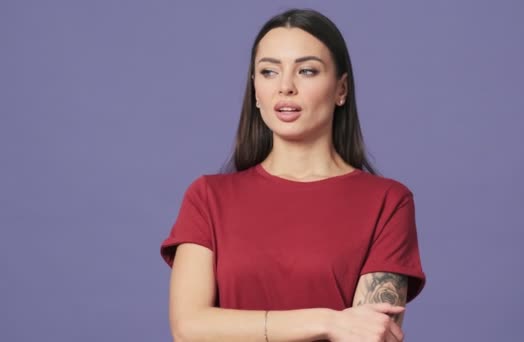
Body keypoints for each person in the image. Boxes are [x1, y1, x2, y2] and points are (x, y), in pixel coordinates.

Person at [160, 8, 426, 342]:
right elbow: (188, 328)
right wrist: (327, 321)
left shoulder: (388, 202)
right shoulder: (207, 198)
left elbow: (369, 335)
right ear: (255, 91)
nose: (286, 87)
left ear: (340, 89)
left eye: (307, 71)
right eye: (269, 71)